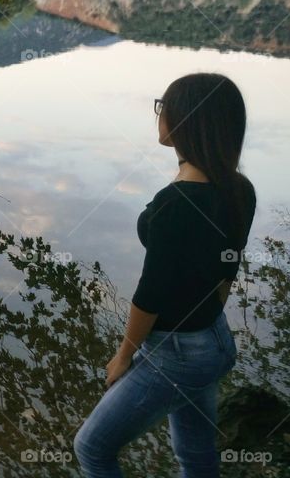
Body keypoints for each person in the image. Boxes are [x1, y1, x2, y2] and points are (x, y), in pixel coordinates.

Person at [73, 73, 257, 477]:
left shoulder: (175, 203)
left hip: (178, 352)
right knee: (193, 448)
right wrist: (203, 321)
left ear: (187, 121)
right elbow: (225, 274)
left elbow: (151, 292)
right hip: (215, 339)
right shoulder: (239, 189)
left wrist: (124, 356)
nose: (159, 114)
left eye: (164, 105)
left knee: (92, 447)